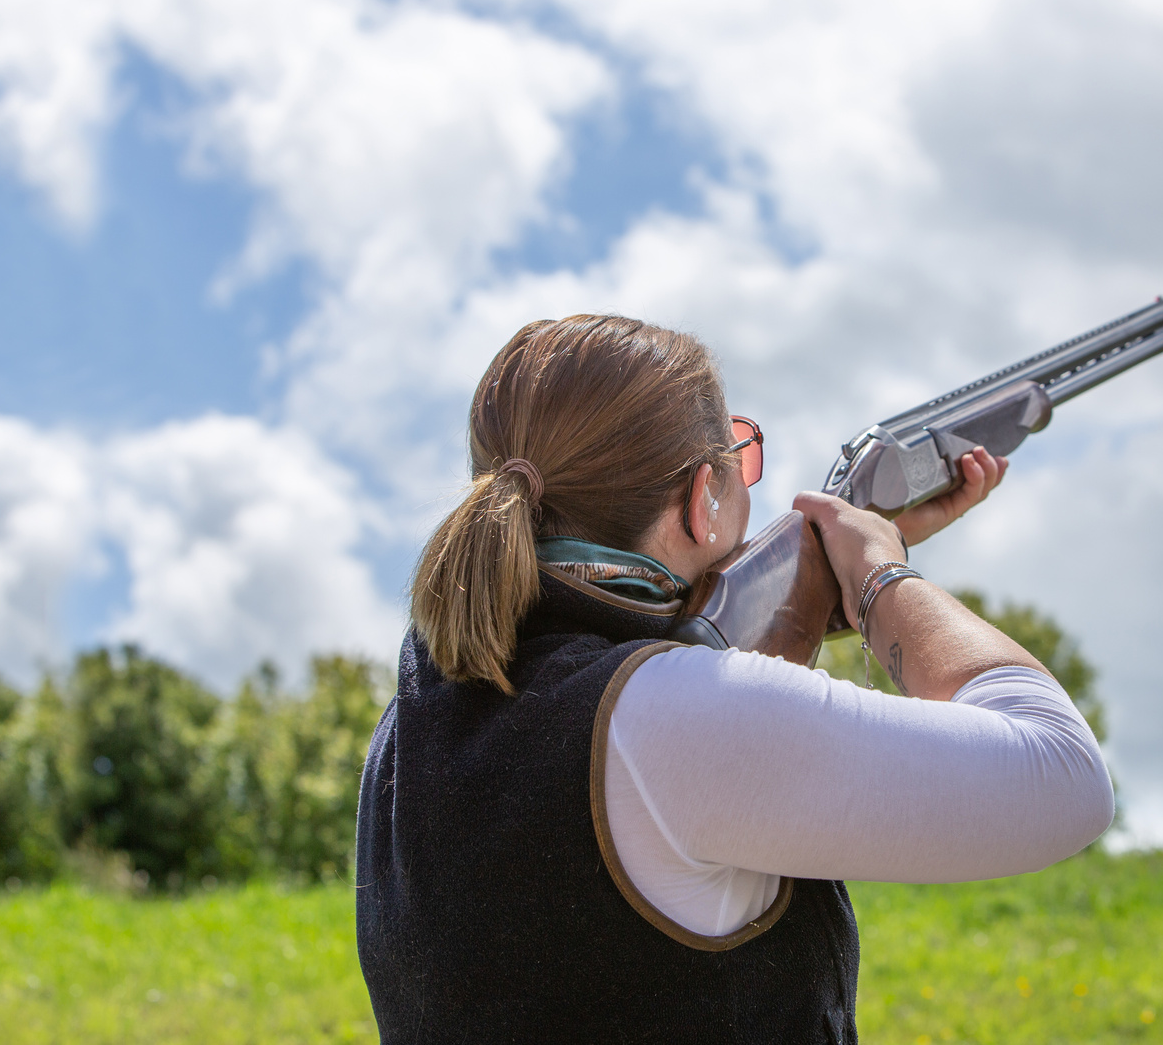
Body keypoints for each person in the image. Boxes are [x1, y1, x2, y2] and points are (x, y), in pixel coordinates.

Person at [355, 314, 1114, 1044]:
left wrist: (824, 589)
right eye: (739, 455)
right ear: (702, 500)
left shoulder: (417, 717)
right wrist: (882, 574)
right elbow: (1063, 772)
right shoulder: (668, 715)